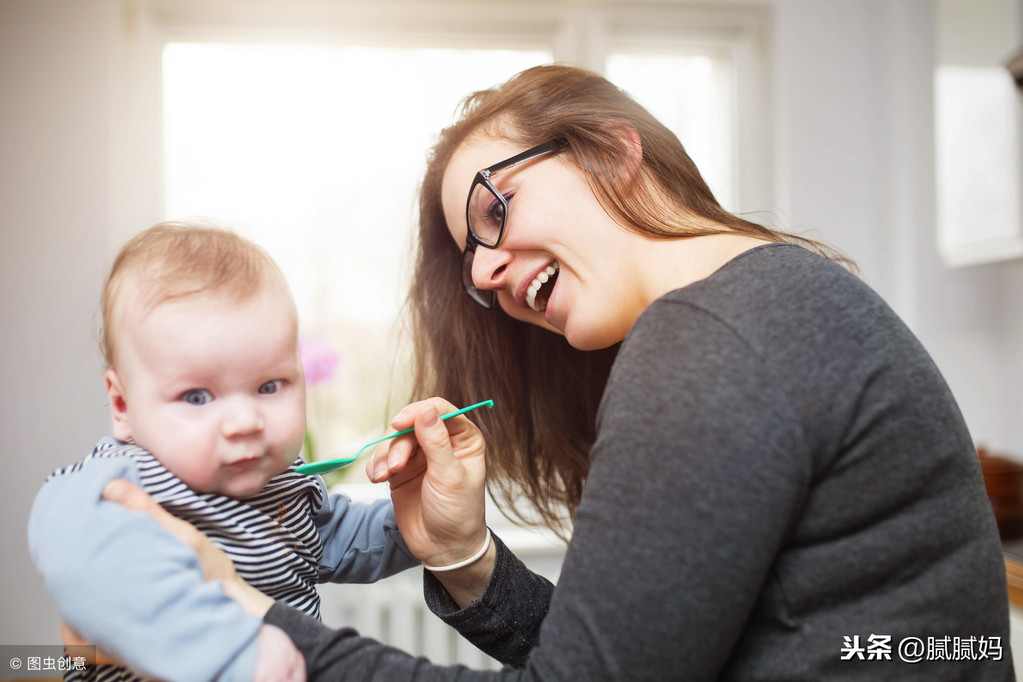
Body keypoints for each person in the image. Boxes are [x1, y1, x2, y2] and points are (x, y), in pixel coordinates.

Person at [54, 64, 1014, 680]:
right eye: (468, 256)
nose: (481, 270)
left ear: (610, 151)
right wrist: (465, 558)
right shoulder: (767, 305)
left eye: (492, 211)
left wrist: (241, 613)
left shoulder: (715, 341)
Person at [28, 222, 419, 681]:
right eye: (197, 397)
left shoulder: (286, 488)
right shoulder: (117, 485)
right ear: (122, 405)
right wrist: (229, 651)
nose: (244, 422)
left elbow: (338, 538)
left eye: (269, 386)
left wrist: (415, 519)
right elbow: (78, 557)